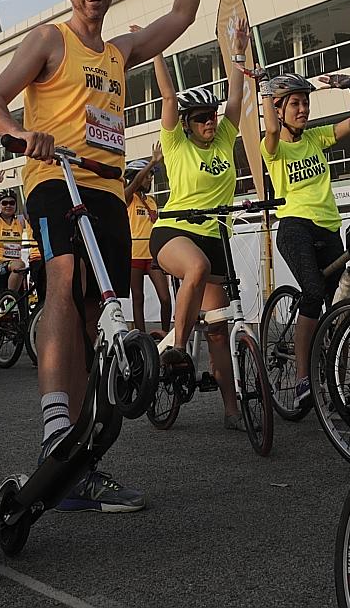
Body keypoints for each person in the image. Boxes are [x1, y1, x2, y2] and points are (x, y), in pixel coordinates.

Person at [0, 0, 210, 514]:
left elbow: (182, 16)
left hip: (107, 190)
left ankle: (79, 462)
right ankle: (55, 432)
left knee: (92, 314)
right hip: (55, 179)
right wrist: (21, 135)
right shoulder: (49, 40)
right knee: (62, 282)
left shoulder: (119, 51)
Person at [148, 21, 250, 428]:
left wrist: (238, 52)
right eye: (202, 118)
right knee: (196, 268)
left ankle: (231, 410)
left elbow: (237, 93)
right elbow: (169, 96)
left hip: (215, 236)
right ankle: (178, 348)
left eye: (212, 116)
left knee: (220, 331)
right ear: (188, 124)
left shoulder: (225, 138)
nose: (210, 122)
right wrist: (155, 50)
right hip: (174, 230)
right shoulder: (175, 144)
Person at [261, 70, 350, 405]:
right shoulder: (274, 147)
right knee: (312, 291)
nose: (303, 109)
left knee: (340, 306)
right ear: (279, 110)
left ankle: (337, 378)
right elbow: (271, 129)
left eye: (305, 102)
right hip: (294, 227)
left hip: (328, 227)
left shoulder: (316, 137)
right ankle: (302, 378)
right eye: (295, 103)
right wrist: (265, 90)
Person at [124, 154, 171, 338]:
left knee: (165, 298)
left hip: (152, 255)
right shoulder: (128, 196)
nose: (150, 178)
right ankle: (141, 339)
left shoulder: (152, 201)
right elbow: (134, 184)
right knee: (138, 298)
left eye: (152, 175)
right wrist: (151, 162)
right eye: (147, 175)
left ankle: (166, 335)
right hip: (133, 255)